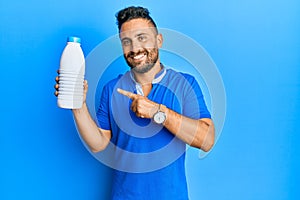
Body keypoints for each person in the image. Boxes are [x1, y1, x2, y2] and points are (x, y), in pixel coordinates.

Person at [55, 6, 215, 200]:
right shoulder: (112, 88)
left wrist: (158, 112)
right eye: (126, 41)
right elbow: (98, 143)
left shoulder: (184, 84)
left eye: (142, 38)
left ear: (159, 40)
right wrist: (78, 106)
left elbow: (206, 140)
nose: (135, 48)